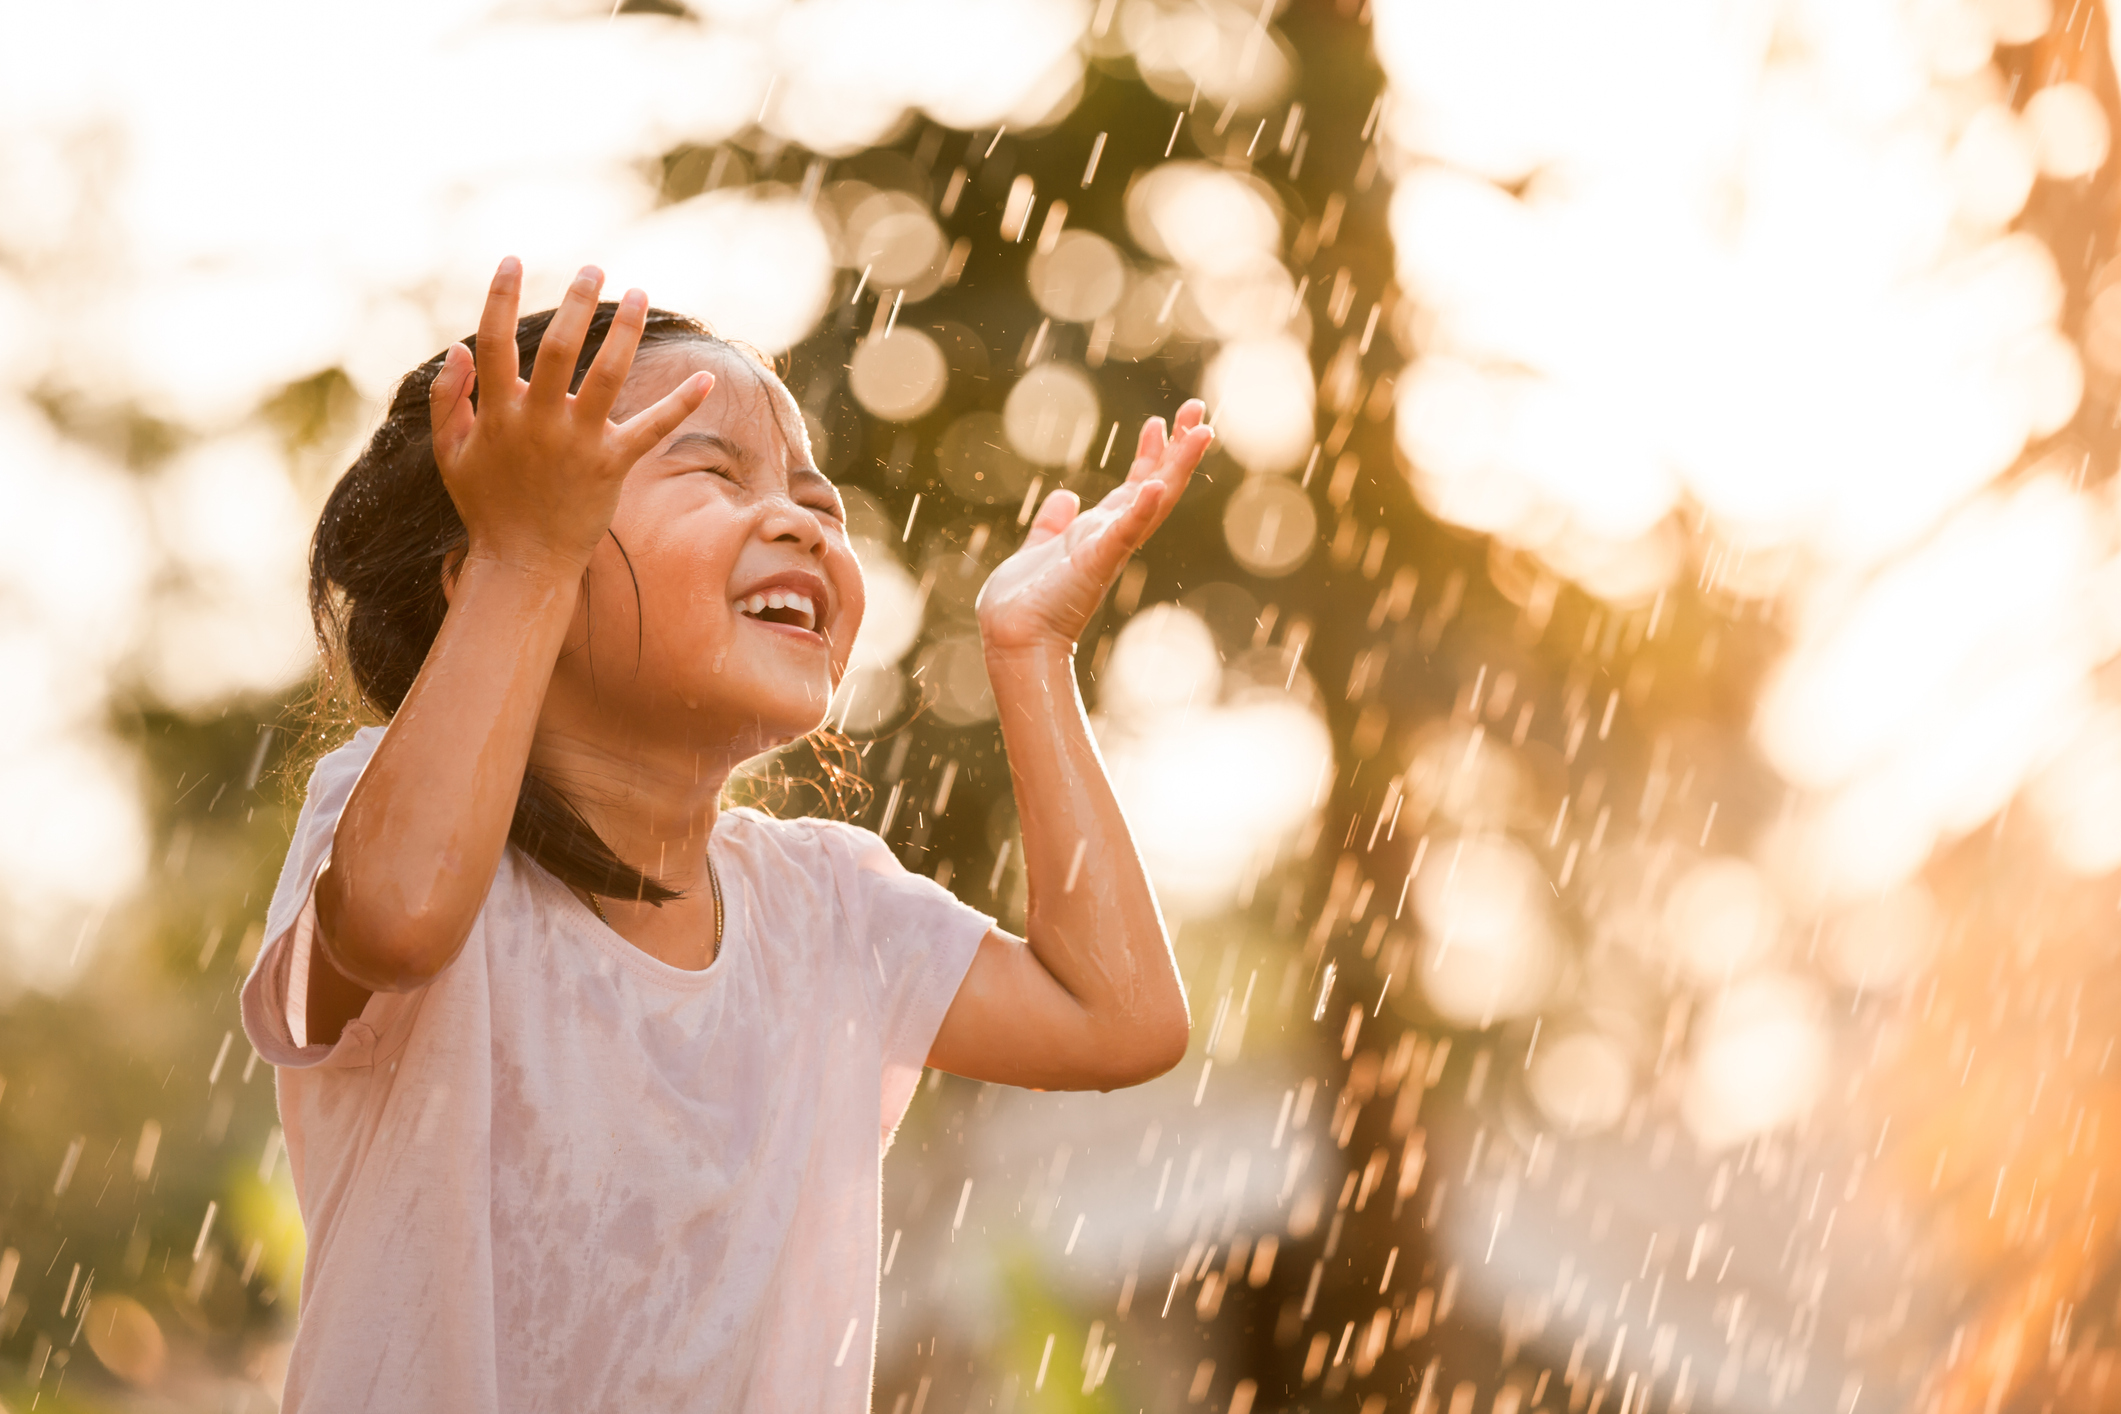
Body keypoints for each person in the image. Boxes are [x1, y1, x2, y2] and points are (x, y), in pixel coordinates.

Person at [239, 257, 1211, 1410]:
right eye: (712, 470)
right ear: (485, 569)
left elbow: (1122, 1019)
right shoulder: (384, 819)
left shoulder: (828, 911)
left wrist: (1031, 654)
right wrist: (526, 555)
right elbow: (396, 923)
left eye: (818, 500)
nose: (798, 522)